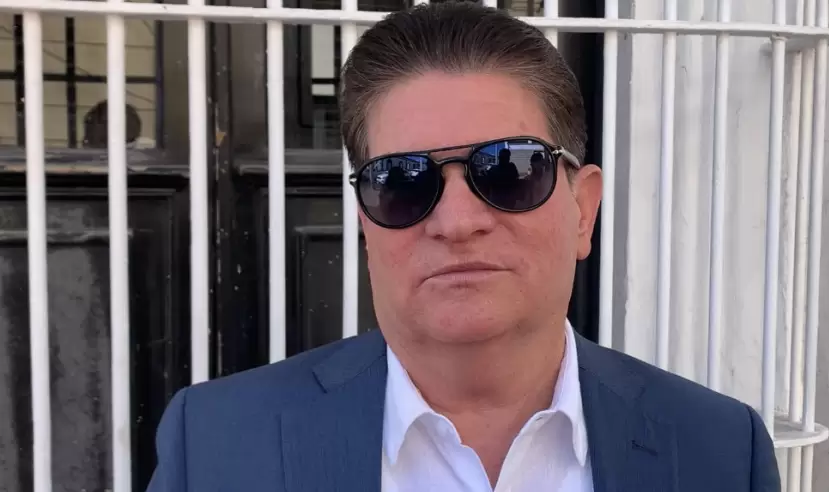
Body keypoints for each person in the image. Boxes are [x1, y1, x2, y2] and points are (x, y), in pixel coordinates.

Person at [146, 3, 780, 491]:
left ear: (583, 210)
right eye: (402, 181)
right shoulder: (217, 446)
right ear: (366, 223)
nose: (456, 222)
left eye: (510, 170)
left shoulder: (720, 450)